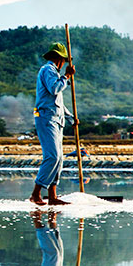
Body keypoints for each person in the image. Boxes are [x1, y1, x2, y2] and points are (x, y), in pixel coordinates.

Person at [30, 42, 78, 206]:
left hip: (57, 120)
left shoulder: (55, 73)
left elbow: (58, 102)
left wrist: (71, 118)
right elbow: (55, 89)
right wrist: (67, 77)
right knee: (52, 156)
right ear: (60, 59)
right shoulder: (48, 70)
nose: (64, 63)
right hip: (46, 118)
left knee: (59, 159)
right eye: (63, 60)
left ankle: (52, 195)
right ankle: (36, 193)